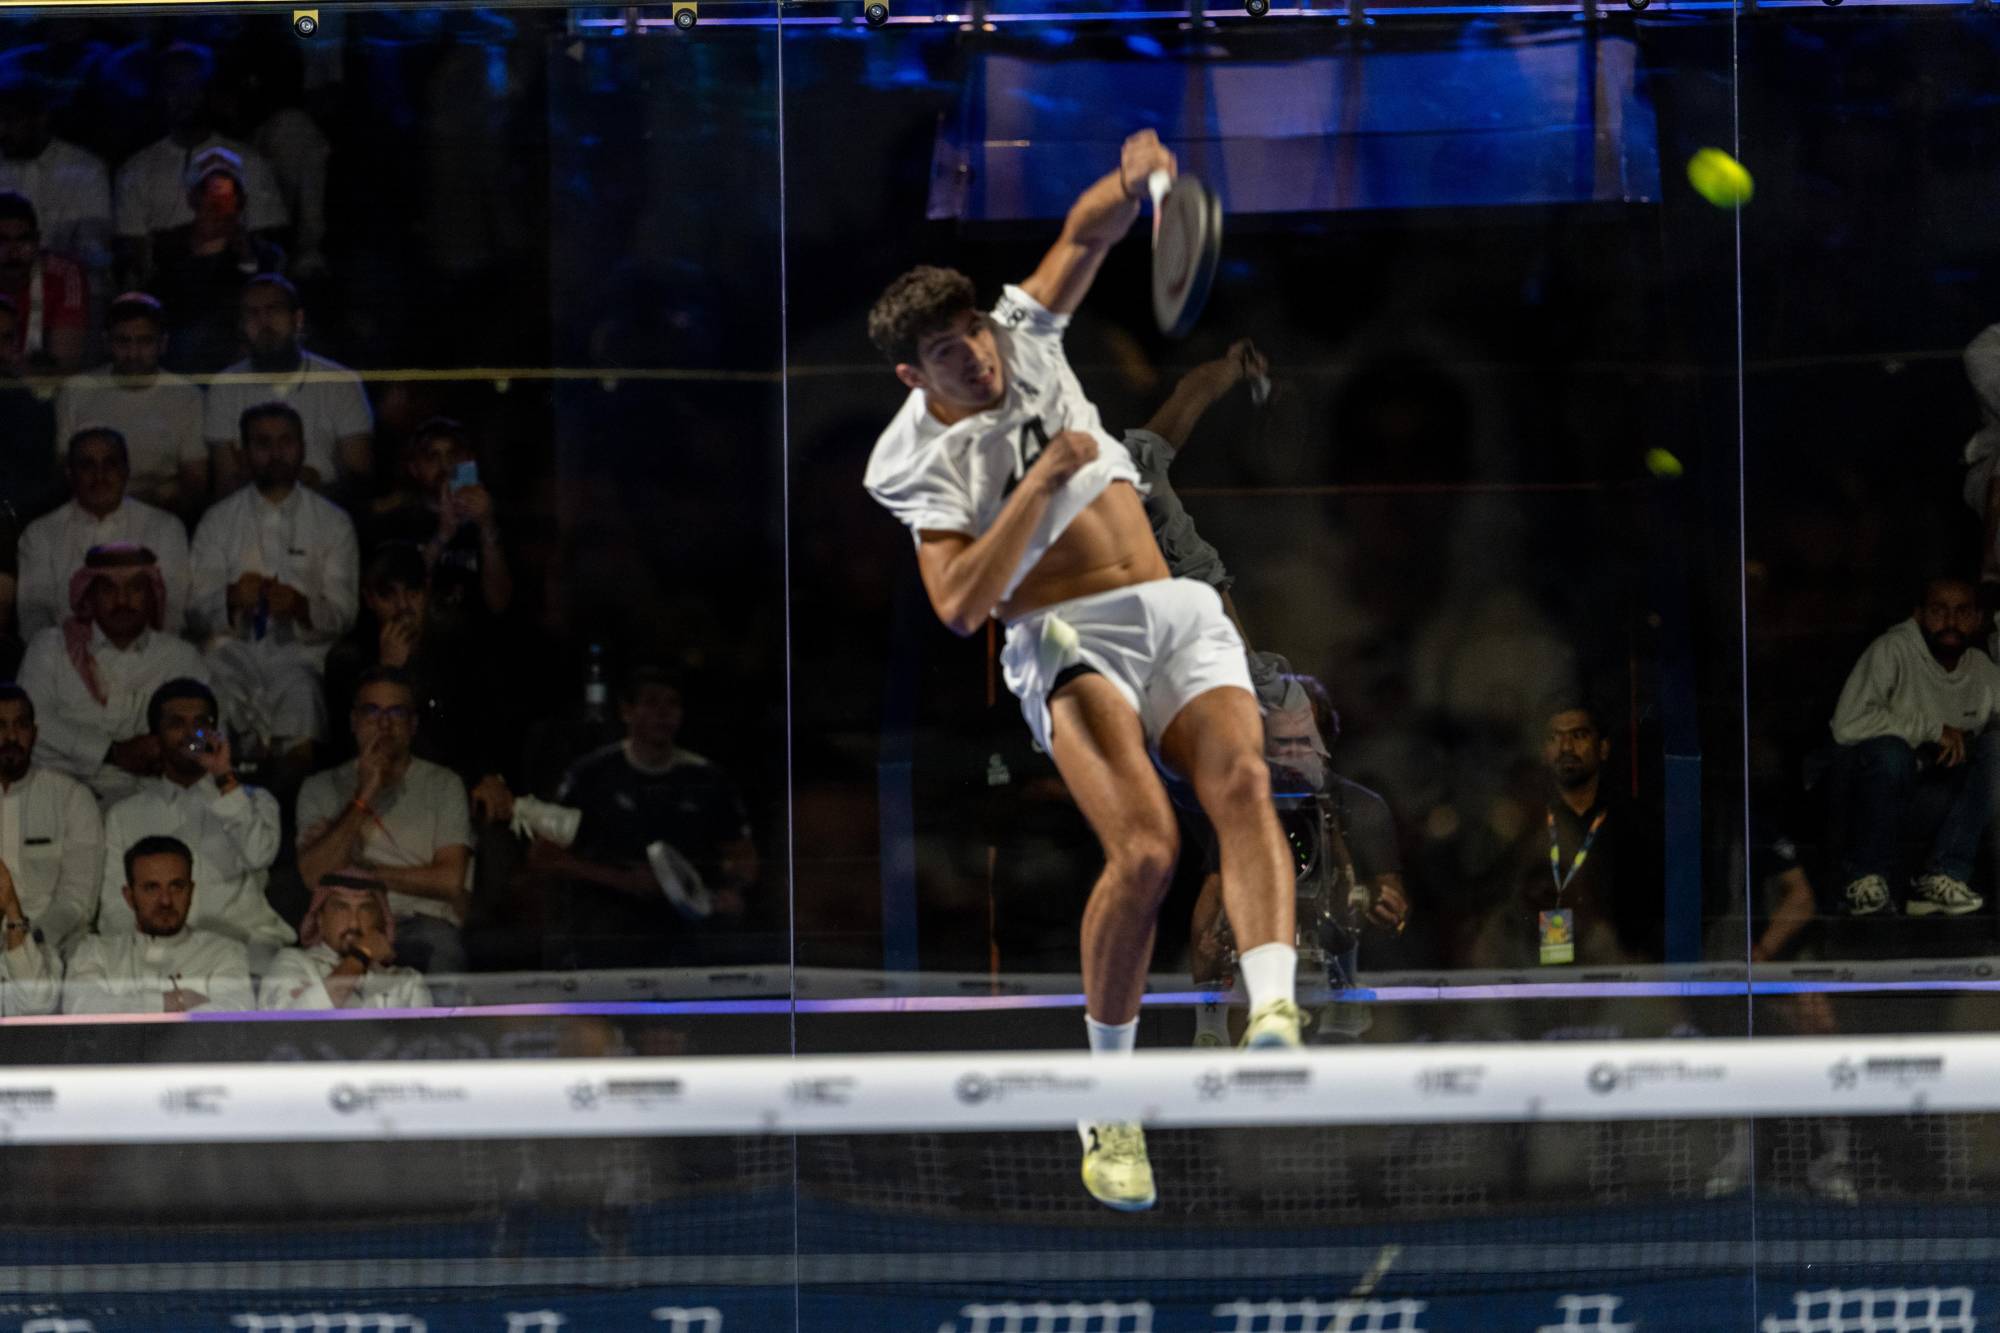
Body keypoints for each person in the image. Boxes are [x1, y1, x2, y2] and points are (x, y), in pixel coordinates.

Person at [861, 129, 1301, 1213]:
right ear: (914, 375)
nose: (977, 356)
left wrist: (1135, 179)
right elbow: (960, 604)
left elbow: (1083, 236)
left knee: (1244, 781)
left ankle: (1275, 1016)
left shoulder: (1022, 336)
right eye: (948, 352)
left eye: (973, 330)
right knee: (1146, 850)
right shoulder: (911, 459)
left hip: (1172, 605)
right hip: (1061, 637)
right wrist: (1042, 478)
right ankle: (1109, 1104)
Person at [1188, 675, 1408, 1045]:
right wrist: (1209, 1017)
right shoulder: (1242, 810)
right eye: (1282, 743)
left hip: (1344, 970)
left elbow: (1392, 907)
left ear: (1324, 743)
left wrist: (1384, 908)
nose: (1292, 755)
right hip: (1258, 969)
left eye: (1303, 742)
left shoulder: (1361, 809)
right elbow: (1209, 908)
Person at [526, 666, 755, 971]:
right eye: (651, 702)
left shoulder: (708, 779)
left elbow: (743, 857)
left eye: (672, 703)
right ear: (626, 711)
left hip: (686, 929)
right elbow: (543, 855)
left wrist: (731, 891)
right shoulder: (590, 775)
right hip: (607, 928)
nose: (663, 713)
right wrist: (622, 881)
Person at [190, 400, 358, 755]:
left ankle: (292, 788)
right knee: (208, 706)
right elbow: (195, 608)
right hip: (228, 655)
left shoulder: (333, 523)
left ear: (302, 448)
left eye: (286, 442)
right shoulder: (217, 521)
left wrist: (301, 607)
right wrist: (230, 598)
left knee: (302, 701)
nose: (276, 453)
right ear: (243, 453)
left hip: (301, 656)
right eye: (263, 443)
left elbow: (344, 612)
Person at [1827, 576, 2000, 918]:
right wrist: (1932, 731)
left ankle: (1943, 877)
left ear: (1978, 619)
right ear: (1919, 614)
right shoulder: (1892, 650)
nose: (1950, 622)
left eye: (1962, 612)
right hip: (1871, 797)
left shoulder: (1979, 666)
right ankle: (1864, 880)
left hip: (1935, 804)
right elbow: (1846, 724)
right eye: (1939, 611)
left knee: (1996, 747)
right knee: (1890, 752)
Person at [295, 668, 473, 976]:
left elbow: (449, 880)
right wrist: (364, 796)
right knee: (295, 975)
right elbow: (314, 876)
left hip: (418, 924)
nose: (384, 724)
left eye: (397, 712)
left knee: (444, 952)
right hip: (343, 926)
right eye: (372, 711)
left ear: (413, 724)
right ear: (354, 721)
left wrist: (358, 870)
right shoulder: (320, 787)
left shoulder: (443, 784)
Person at [94, 677, 293, 950]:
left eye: (200, 724)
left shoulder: (254, 800)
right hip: (159, 952)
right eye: (177, 724)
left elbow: (258, 854)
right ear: (156, 739)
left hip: (242, 944)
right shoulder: (123, 815)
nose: (190, 735)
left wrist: (223, 776)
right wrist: (150, 955)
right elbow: (115, 909)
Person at [1476, 697, 1664, 968]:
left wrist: (1553, 964)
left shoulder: (1559, 839)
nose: (1525, 797)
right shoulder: (1506, 832)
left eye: (1533, 788)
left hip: (1561, 952)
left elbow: (1557, 949)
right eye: (1520, 788)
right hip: (1517, 943)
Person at [15, 543, 206, 804]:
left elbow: (208, 738)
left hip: (156, 804)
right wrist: (112, 752)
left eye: (135, 589)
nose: (122, 601)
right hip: (58, 800)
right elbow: (28, 727)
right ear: (89, 594)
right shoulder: (49, 647)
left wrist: (177, 753)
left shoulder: (182, 657)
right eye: (108, 590)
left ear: (152, 594)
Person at [113, 43, 287, 290]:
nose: (185, 97)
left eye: (194, 86)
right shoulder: (135, 169)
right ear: (160, 93)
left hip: (232, 290)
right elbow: (136, 253)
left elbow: (266, 243)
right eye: (174, 86)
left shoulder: (248, 161)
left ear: (210, 92)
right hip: (167, 291)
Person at [203, 276, 371, 495]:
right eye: (252, 313)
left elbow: (358, 476)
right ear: (242, 325)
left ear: (297, 319)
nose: (264, 322)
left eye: (274, 310)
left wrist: (310, 490)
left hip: (325, 505)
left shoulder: (341, 382)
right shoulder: (224, 387)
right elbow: (226, 485)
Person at [17, 428, 191, 639]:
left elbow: (172, 608)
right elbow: (34, 614)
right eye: (87, 466)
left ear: (125, 471)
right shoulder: (40, 533)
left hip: (149, 653)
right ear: (70, 474)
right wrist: (68, 652)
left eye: (110, 464)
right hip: (63, 653)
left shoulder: (164, 527)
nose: (99, 475)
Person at [52, 293, 209, 517]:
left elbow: (194, 482)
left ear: (163, 343)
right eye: (123, 341)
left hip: (161, 519)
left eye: (145, 341)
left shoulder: (187, 397)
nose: (133, 354)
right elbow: (64, 471)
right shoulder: (76, 391)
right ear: (107, 342)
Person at [64, 832, 255, 1014]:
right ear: (129, 896)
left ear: (190, 892)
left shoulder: (224, 953)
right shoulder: (96, 952)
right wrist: (171, 1001)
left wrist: (125, 1005)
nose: (166, 900)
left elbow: (233, 1012)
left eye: (176, 887)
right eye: (151, 888)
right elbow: (82, 1008)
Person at [363, 417, 512, 624]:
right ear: (414, 468)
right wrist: (442, 535)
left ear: (469, 459)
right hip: (420, 632)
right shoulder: (395, 523)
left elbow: (499, 603)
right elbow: (399, 595)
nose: (445, 465)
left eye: (453, 455)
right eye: (432, 457)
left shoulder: (491, 514)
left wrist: (487, 527)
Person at [150, 151, 285, 377]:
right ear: (193, 198)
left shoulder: (264, 255)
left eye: (226, 196)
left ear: (241, 201)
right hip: (179, 364)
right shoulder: (167, 248)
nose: (217, 205)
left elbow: (263, 306)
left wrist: (246, 259)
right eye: (208, 194)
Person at [0, 681, 101, 959]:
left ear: (34, 733)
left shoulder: (71, 796)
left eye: (20, 725)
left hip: (51, 944)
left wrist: (31, 942)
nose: (11, 736)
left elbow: (77, 900)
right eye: (0, 726)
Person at [259, 867, 432, 1010]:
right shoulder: (292, 961)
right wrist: (362, 955)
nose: (353, 922)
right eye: (341, 908)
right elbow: (288, 1029)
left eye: (365, 909)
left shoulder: (407, 981)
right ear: (320, 919)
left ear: (381, 920)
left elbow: (425, 1039)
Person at [0, 77, 111, 279]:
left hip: (67, 283)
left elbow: (94, 251)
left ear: (40, 119)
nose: (2, 130)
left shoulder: (85, 169)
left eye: (10, 120)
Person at [0, 190, 85, 372]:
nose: (13, 251)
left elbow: (64, 362)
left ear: (37, 241)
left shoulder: (64, 274)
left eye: (23, 240)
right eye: (2, 241)